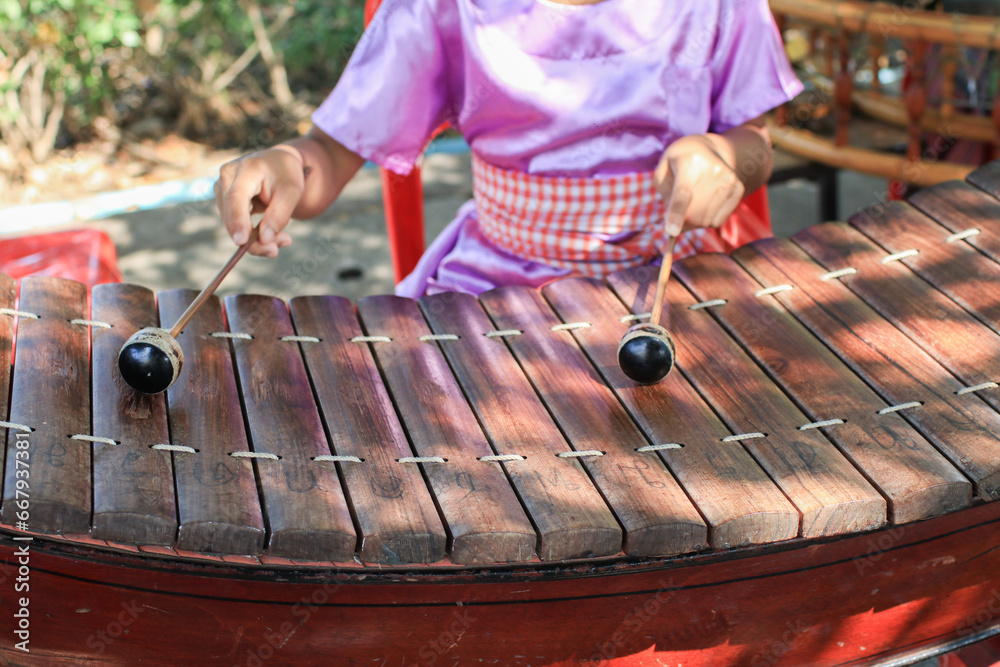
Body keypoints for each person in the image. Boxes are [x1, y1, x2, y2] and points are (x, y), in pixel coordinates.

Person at [214, 0, 802, 297]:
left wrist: (727, 159)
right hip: (492, 292)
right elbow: (332, 154)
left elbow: (757, 143)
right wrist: (288, 165)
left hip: (680, 282)